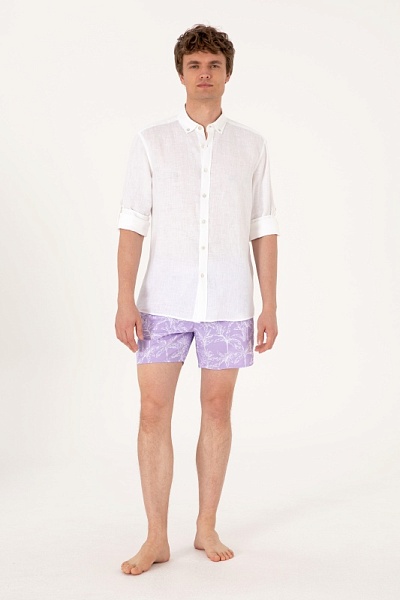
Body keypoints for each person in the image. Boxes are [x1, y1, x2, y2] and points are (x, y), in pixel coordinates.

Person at [115, 24, 279, 576]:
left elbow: (263, 227)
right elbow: (132, 224)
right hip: (162, 301)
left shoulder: (252, 146)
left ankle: (206, 524)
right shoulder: (152, 141)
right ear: (180, 73)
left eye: (213, 65)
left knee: (216, 409)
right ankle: (156, 536)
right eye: (194, 66)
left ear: (227, 73)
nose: (204, 74)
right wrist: (124, 300)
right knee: (152, 411)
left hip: (230, 302)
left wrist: (270, 304)